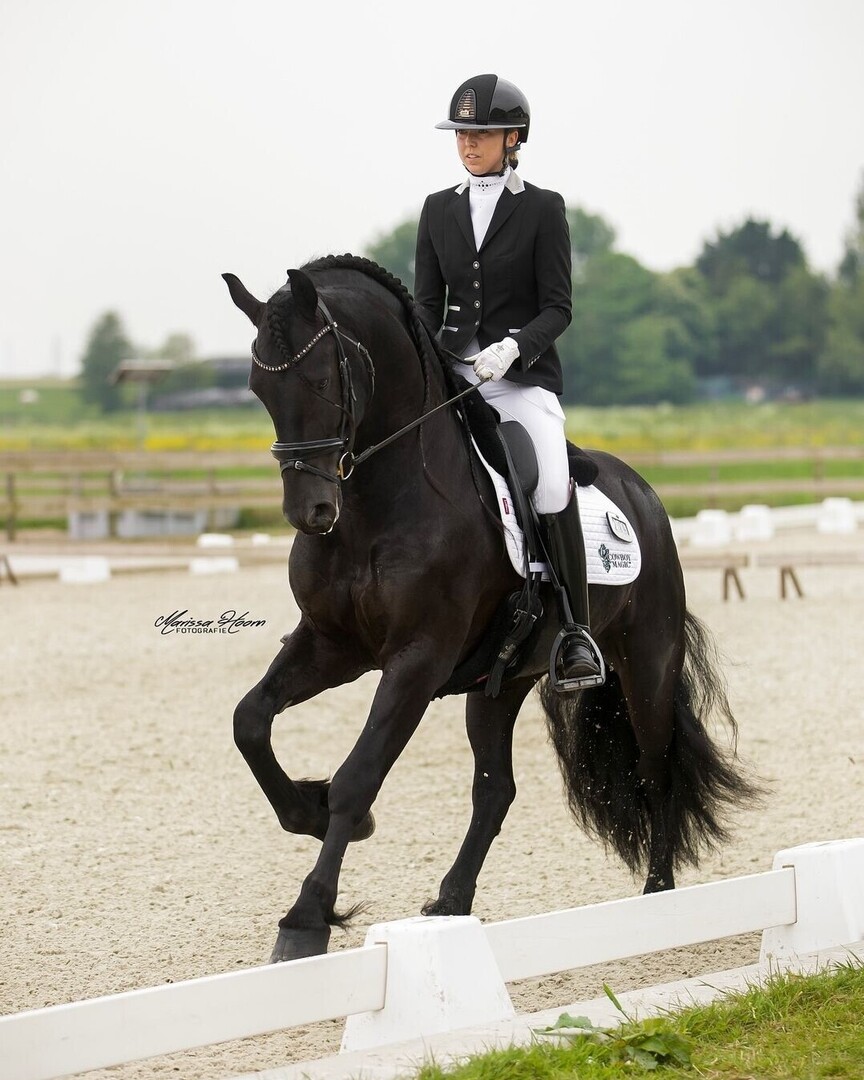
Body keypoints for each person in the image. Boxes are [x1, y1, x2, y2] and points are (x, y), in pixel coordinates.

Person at [414, 73, 603, 690]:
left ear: (512, 137)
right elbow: (425, 305)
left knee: (549, 483)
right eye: (462, 133)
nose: (469, 144)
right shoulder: (438, 208)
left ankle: (575, 631)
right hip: (455, 379)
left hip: (520, 382)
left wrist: (514, 347)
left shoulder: (543, 208)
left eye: (482, 132)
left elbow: (559, 306)